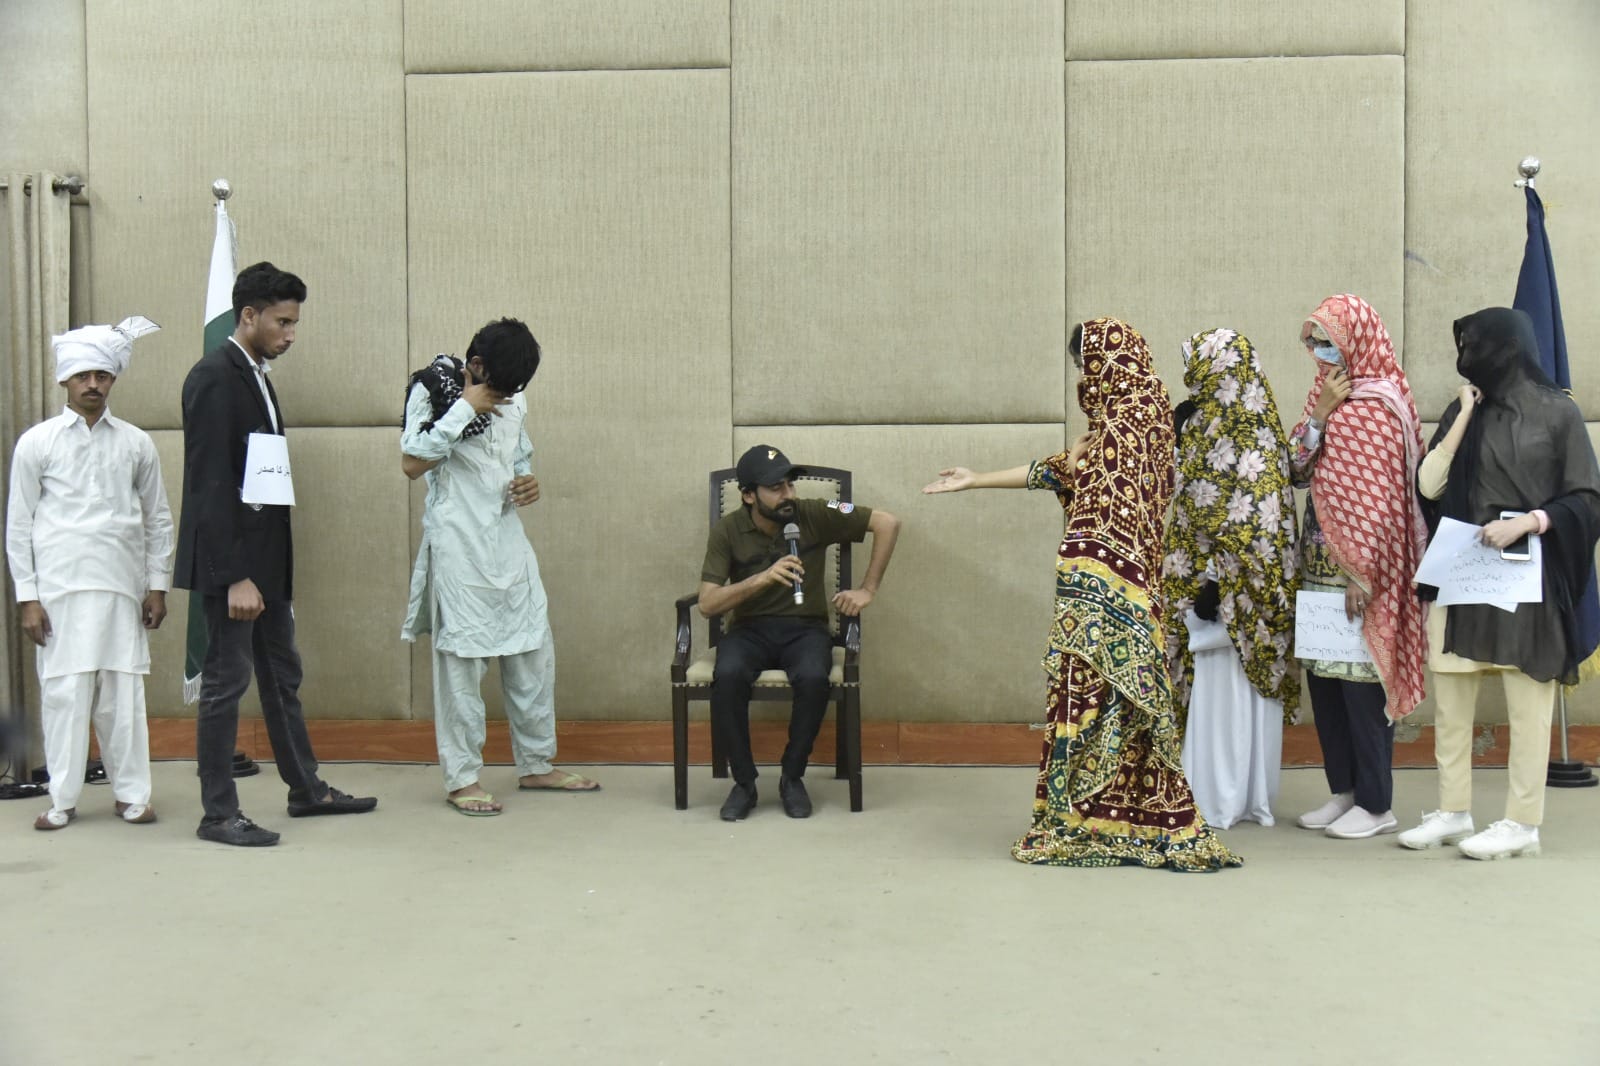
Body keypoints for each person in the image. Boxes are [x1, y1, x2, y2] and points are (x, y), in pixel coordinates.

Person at [925, 318, 1240, 871]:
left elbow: (1083, 476)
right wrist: (976, 478)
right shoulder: (1137, 419)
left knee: (1098, 696)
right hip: (1116, 585)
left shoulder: (1130, 423)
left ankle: (1093, 820)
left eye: (1085, 365)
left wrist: (1073, 460)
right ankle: (1108, 816)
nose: (1083, 379)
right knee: (1107, 699)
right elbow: (1064, 471)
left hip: (1104, 587)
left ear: (1105, 363)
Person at [175, 262, 376, 847]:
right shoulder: (215, 376)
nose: (291, 334)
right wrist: (235, 576)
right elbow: (210, 483)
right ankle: (218, 813)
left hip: (265, 566)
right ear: (248, 315)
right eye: (282, 322)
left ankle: (305, 789)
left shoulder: (255, 374)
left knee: (282, 676)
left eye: (295, 323)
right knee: (225, 683)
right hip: (234, 568)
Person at [1399, 308, 1600, 859]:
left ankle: (1522, 822)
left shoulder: (1559, 413)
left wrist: (1529, 522)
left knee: (1527, 703)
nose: (1466, 355)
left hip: (1525, 576)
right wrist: (1464, 414)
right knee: (1451, 699)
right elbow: (1429, 486)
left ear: (1508, 347)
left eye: (1475, 344)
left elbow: (1587, 499)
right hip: (1463, 569)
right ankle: (1453, 811)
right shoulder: (1466, 407)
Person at [401, 319, 598, 816]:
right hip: (458, 547)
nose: (508, 396)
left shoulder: (513, 396)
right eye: (501, 387)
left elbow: (518, 451)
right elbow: (412, 461)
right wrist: (467, 406)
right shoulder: (432, 388)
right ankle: (462, 779)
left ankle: (536, 764)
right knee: (461, 666)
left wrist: (527, 480)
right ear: (476, 365)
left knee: (534, 652)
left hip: (508, 543)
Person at [6, 317, 173, 830]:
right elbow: (19, 524)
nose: (93, 384)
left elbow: (158, 518)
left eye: (102, 375)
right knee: (65, 696)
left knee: (123, 698)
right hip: (59, 591)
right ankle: (62, 799)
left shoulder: (136, 443)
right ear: (65, 380)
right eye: (83, 376)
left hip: (122, 588)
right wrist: (28, 597)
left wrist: (158, 586)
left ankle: (132, 796)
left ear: (113, 379)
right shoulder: (38, 442)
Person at [1288, 294, 1428, 840]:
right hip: (1318, 564)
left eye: (1328, 341)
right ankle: (1342, 792)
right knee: (1325, 685)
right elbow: (1296, 468)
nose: (1321, 352)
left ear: (1357, 340)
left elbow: (1384, 501)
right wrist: (1319, 414)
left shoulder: (1383, 404)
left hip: (1364, 574)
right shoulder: (1323, 395)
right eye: (1314, 342)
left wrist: (1361, 573)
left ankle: (1375, 803)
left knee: (1361, 688)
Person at [698, 445, 901, 820]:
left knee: (812, 677)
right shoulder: (728, 530)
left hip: (805, 629)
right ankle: (744, 783)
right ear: (749, 495)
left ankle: (792, 776)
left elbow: (887, 523)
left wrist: (867, 589)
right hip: (749, 629)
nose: (788, 494)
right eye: (776, 488)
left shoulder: (813, 513)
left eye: (790, 485)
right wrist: (762, 579)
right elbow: (708, 604)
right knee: (728, 675)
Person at [1163, 328, 1299, 829]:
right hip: (1194, 582)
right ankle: (1200, 789)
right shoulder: (1200, 419)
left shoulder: (1250, 425)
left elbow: (1261, 515)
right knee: (1207, 692)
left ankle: (1225, 798)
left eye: (1199, 366)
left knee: (1233, 695)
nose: (1191, 376)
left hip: (1236, 596)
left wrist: (1220, 583)